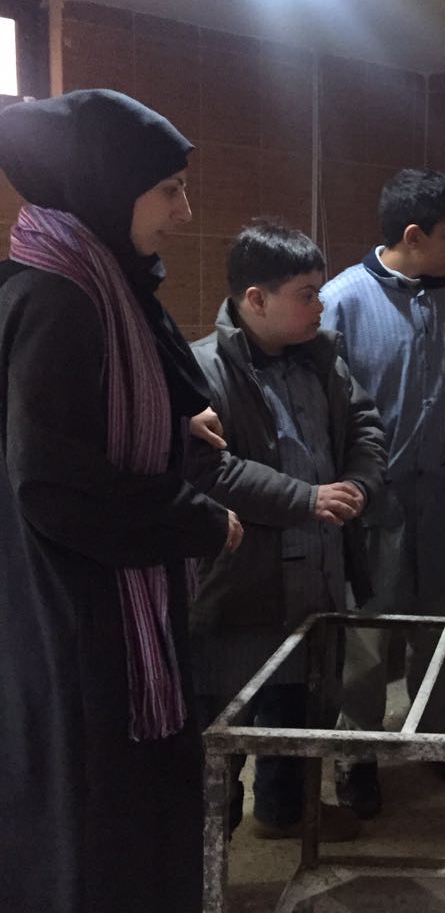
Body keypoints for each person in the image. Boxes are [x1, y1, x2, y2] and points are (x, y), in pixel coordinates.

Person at [0, 90, 242, 913]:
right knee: (101, 830)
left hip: (82, 611)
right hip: (84, 626)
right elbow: (55, 487)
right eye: (168, 190)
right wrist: (197, 519)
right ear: (107, 188)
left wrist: (171, 419)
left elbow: (94, 414)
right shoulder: (61, 302)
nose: (184, 213)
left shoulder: (86, 279)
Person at [186, 220, 387, 841]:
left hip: (318, 573)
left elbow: (366, 425)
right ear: (256, 299)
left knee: (299, 709)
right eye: (306, 294)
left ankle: (284, 812)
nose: (319, 306)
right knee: (223, 725)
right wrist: (306, 499)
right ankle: (209, 844)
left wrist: (360, 483)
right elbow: (208, 470)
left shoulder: (321, 358)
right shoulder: (201, 369)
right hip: (241, 585)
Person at [320, 168, 445, 817]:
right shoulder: (341, 303)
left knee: (442, 624)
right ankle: (356, 755)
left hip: (441, 497)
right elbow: (320, 403)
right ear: (414, 236)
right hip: (374, 501)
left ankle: (439, 735)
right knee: (366, 637)